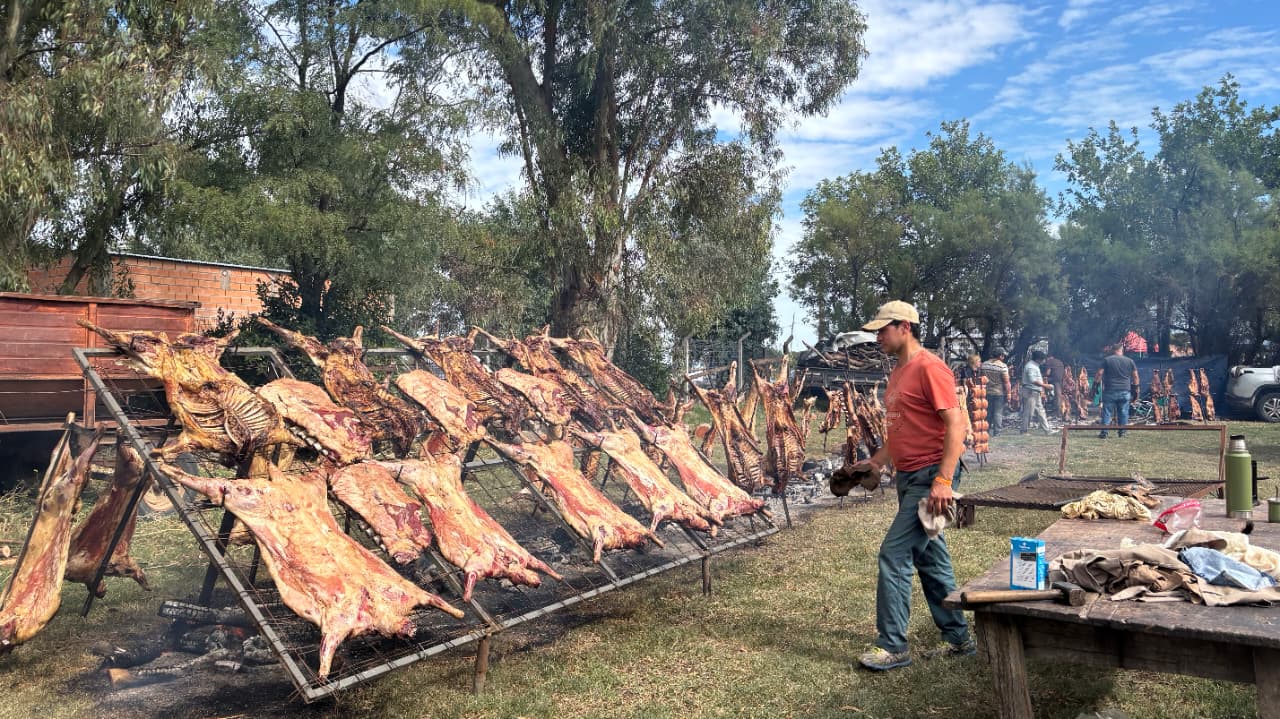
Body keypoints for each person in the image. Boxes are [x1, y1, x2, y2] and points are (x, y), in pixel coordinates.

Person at [850, 300, 974, 671]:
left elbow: (957, 426)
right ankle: (959, 639)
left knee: (894, 554)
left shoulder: (930, 368)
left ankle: (893, 646)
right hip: (909, 477)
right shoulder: (898, 372)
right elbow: (901, 430)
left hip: (929, 476)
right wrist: (876, 462)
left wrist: (943, 481)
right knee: (931, 560)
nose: (877, 337)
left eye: (883, 330)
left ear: (905, 327)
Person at [1095, 343, 1140, 438]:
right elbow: (1135, 376)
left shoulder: (1107, 360)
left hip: (1110, 390)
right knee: (1123, 412)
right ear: (1121, 350)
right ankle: (1122, 432)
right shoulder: (1130, 361)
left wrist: (1095, 385)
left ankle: (1104, 432)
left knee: (1107, 412)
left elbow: (1099, 373)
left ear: (1113, 350)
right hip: (1125, 390)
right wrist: (1135, 389)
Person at [1019, 350, 1056, 435]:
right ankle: (1023, 431)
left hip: (1035, 392)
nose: (1044, 361)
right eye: (1043, 359)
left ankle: (1047, 430)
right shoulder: (1031, 367)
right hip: (1030, 392)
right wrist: (1046, 386)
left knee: (1040, 411)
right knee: (1028, 412)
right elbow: (1033, 380)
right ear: (1038, 359)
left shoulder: (1035, 366)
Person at [979, 348, 1012, 436]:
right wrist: (1009, 393)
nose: (1004, 357)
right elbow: (1006, 381)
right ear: (1000, 356)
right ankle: (997, 432)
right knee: (998, 412)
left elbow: (980, 378)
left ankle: (986, 430)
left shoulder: (984, 365)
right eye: (1003, 355)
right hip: (998, 393)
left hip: (986, 392)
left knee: (988, 412)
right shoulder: (1002, 366)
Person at [1041, 352, 1066, 416]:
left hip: (1054, 379)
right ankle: (1056, 408)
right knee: (1058, 394)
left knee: (1057, 395)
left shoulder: (1049, 362)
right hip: (1061, 379)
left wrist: (1041, 375)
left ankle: (1058, 411)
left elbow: (1048, 373)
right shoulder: (1059, 361)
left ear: (1048, 358)